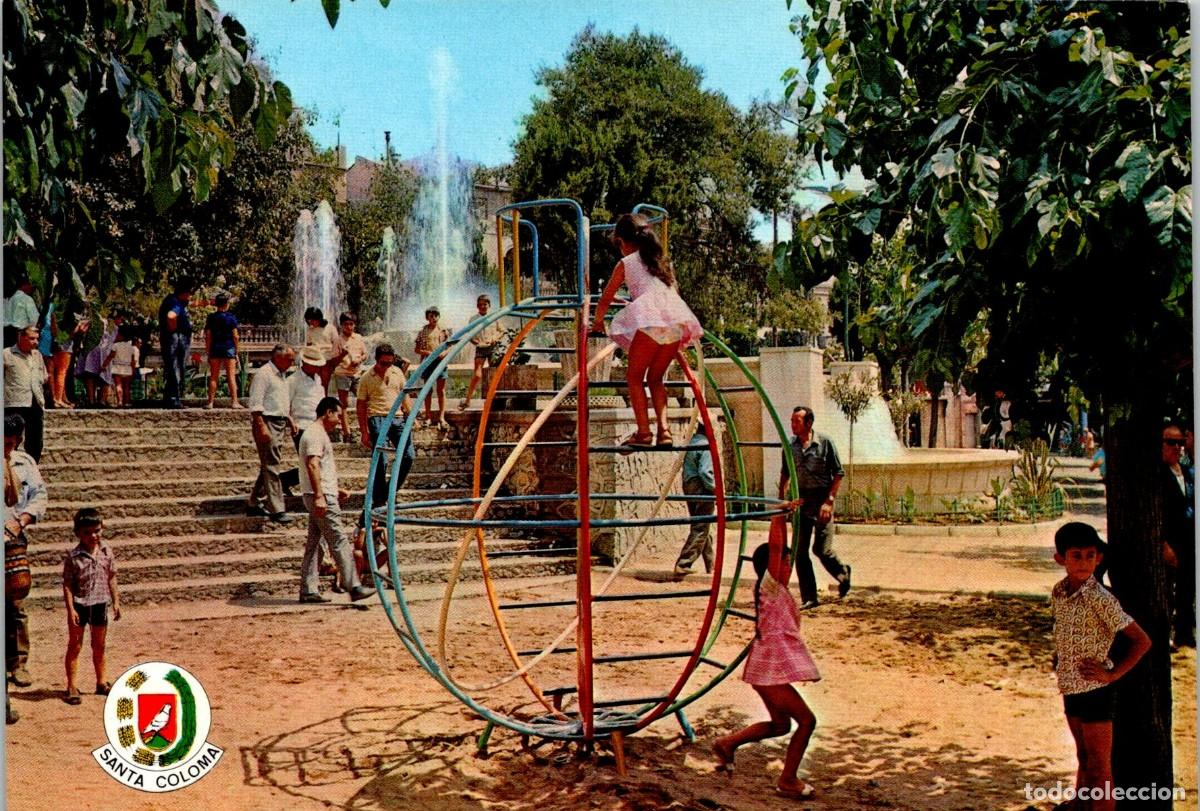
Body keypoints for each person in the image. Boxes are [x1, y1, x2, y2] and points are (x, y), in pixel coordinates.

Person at [712, 503, 820, 799]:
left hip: (765, 669)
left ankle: (728, 743)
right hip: (768, 673)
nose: (788, 566)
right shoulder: (769, 588)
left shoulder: (776, 591)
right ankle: (788, 780)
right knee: (807, 721)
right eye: (786, 561)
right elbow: (776, 547)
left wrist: (785, 516)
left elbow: (779, 550)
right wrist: (778, 516)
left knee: (780, 724)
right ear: (774, 566)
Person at [1050, 522, 1151, 811]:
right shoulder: (1059, 592)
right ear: (1061, 559)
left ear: (1099, 558)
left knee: (1100, 768)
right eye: (1076, 555)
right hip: (1070, 687)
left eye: (1090, 555)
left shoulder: (1101, 598)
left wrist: (1113, 674)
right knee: (1083, 757)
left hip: (1096, 691)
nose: (1084, 562)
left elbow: (1142, 641)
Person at [589, 213, 702, 450]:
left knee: (634, 377)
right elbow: (673, 295)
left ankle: (643, 432)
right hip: (675, 323)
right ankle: (665, 432)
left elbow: (606, 297)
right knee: (655, 378)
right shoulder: (663, 262)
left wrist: (597, 323)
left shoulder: (626, 263)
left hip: (651, 321)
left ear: (622, 242)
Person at [298, 397, 376, 604]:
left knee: (314, 544)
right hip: (320, 497)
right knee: (339, 540)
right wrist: (320, 496)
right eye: (338, 416)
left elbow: (318, 468)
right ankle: (354, 585)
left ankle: (308, 589)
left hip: (318, 494)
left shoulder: (316, 433)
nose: (339, 421)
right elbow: (312, 465)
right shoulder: (315, 434)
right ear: (328, 413)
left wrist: (333, 489)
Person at [778, 406, 851, 608]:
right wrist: (782, 501)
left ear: (808, 424)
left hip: (821, 502)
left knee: (821, 549)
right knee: (800, 552)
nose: (792, 425)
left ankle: (843, 573)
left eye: (797, 421)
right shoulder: (789, 446)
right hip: (802, 502)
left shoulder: (825, 443)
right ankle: (809, 597)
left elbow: (838, 473)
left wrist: (829, 501)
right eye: (791, 420)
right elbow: (785, 474)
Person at [61, 508, 121, 705]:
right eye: (87, 532)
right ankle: (72, 685)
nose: (93, 536)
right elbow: (68, 584)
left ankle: (101, 682)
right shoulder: (74, 556)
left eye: (96, 531)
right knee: (75, 645)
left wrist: (116, 602)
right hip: (80, 605)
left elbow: (112, 577)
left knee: (99, 645)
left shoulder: (106, 551)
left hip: (100, 603)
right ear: (78, 533)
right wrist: (71, 610)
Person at [5, 414, 46, 701]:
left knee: (16, 603)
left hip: (12, 539)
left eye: (9, 442)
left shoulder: (25, 464)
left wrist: (22, 520)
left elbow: (39, 496)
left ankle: (19, 663)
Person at [245, 345, 295, 525]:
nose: (292, 363)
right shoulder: (264, 374)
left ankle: (253, 502)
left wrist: (288, 419)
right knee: (272, 465)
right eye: (289, 359)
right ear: (279, 358)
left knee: (269, 464)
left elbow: (278, 402)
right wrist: (261, 427)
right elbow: (256, 404)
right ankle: (277, 508)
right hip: (267, 422)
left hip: (278, 421)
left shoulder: (280, 376)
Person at [356, 344, 417, 491]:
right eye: (383, 363)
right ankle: (379, 495)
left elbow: (405, 396)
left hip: (398, 418)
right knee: (381, 460)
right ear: (376, 360)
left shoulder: (397, 373)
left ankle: (390, 490)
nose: (386, 367)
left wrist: (412, 415)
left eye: (389, 363)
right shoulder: (366, 378)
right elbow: (361, 405)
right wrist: (364, 432)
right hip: (377, 418)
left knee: (409, 456)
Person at [1161, 422, 1195, 648]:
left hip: (1188, 540)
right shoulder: (1158, 474)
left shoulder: (1187, 471)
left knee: (1187, 588)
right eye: (1171, 442)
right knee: (1167, 591)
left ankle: (1184, 634)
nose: (1177, 447)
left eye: (1180, 443)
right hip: (1170, 540)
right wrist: (1163, 545)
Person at [673, 428, 716, 578]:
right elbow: (706, 472)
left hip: (689, 486)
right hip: (702, 488)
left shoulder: (692, 442)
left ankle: (711, 564)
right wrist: (715, 489)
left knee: (702, 525)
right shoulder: (705, 445)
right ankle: (683, 563)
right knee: (701, 527)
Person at [4, 326, 48, 461]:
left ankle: (32, 470)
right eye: (31, 338)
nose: (36, 342)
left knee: (35, 442)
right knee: (11, 440)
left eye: (37, 339)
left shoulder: (37, 355)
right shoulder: (6, 354)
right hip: (14, 403)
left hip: (35, 402)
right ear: (20, 337)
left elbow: (44, 376)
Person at [460, 294, 504, 410]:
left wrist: (496, 338)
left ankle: (496, 400)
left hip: (492, 347)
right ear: (477, 306)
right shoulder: (473, 319)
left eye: (485, 304)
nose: (483, 306)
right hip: (481, 348)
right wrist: (475, 342)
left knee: (494, 373)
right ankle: (468, 399)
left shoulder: (494, 316)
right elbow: (469, 335)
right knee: (477, 375)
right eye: (480, 305)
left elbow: (502, 331)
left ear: (489, 305)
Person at [329, 312, 368, 442]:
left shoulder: (358, 338)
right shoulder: (338, 340)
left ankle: (365, 430)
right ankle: (347, 432)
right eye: (346, 324)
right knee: (343, 404)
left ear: (354, 325)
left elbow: (365, 354)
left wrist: (359, 360)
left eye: (351, 324)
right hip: (342, 374)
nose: (349, 327)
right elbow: (333, 361)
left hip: (357, 373)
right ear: (341, 325)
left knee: (363, 400)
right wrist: (342, 355)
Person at [158, 278, 194, 409]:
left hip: (173, 337)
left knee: (174, 368)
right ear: (184, 293)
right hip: (176, 338)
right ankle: (173, 399)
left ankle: (170, 397)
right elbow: (171, 316)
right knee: (176, 367)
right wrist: (174, 330)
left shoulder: (172, 300)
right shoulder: (176, 303)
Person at [414, 306, 451, 428]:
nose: (434, 318)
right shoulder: (423, 331)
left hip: (441, 362)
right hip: (428, 362)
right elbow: (417, 349)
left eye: (436, 315)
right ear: (427, 318)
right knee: (428, 390)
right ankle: (428, 416)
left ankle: (442, 417)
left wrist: (444, 354)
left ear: (439, 317)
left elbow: (450, 346)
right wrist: (428, 353)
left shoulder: (443, 330)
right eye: (431, 316)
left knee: (441, 390)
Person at [204, 292, 243, 409]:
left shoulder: (211, 317)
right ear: (226, 304)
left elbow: (208, 335)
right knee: (231, 376)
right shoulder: (231, 318)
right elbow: (235, 336)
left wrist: (207, 349)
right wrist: (237, 350)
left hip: (215, 347)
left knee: (214, 376)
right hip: (229, 347)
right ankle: (234, 402)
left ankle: (210, 402)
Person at [289, 346, 326, 449]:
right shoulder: (293, 380)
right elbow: (285, 403)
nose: (316, 368)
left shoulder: (318, 379)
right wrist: (291, 422)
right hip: (301, 425)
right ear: (305, 363)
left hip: (317, 425)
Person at [102, 324, 140, 408]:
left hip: (117, 368)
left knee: (118, 385)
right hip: (127, 368)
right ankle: (127, 402)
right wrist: (133, 370)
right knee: (126, 386)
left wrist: (104, 365)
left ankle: (120, 401)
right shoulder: (131, 347)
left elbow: (110, 356)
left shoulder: (115, 346)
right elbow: (133, 361)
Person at [304, 306, 337, 389]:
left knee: (325, 383)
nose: (311, 323)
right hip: (316, 359)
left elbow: (336, 344)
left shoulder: (330, 328)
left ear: (319, 318)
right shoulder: (309, 330)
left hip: (327, 358)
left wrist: (334, 360)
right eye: (309, 321)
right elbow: (309, 345)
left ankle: (324, 399)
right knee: (316, 383)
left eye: (313, 320)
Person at [4, 276, 39, 348]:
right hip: (20, 333)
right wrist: (30, 331)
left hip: (5, 332)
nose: (31, 288)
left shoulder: (7, 299)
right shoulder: (26, 299)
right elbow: (34, 317)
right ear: (24, 286)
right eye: (29, 285)